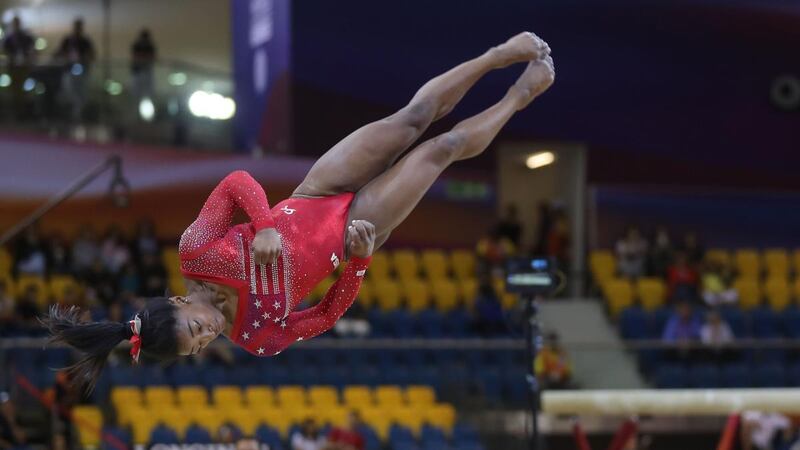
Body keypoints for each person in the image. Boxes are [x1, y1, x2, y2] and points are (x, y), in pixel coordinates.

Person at [45, 32, 555, 391]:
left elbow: (236, 183)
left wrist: (264, 227)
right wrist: (357, 262)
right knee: (441, 149)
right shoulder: (256, 337)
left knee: (414, 118)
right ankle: (519, 96)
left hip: (315, 190)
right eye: (197, 347)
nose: (206, 338)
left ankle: (496, 55)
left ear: (180, 300)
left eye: (195, 330)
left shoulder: (196, 252)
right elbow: (326, 315)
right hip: (358, 230)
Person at [54, 18, 95, 121]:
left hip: (82, 71)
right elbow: (59, 53)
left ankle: (79, 113)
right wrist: (66, 57)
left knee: (82, 92)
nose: (77, 29)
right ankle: (70, 111)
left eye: (79, 27)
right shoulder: (68, 40)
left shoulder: (85, 41)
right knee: (69, 89)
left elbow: (92, 55)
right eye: (76, 27)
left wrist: (85, 58)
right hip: (69, 70)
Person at [2, 17, 35, 120]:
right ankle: (16, 111)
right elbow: (5, 51)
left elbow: (31, 48)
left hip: (23, 67)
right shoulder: (9, 38)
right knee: (14, 90)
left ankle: (24, 111)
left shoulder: (25, 37)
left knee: (24, 90)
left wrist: (28, 58)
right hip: (13, 67)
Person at [130, 29, 156, 100]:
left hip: (147, 70)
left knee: (148, 87)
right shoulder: (137, 45)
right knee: (137, 87)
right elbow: (135, 56)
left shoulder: (149, 46)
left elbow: (152, 57)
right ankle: (137, 100)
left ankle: (147, 99)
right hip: (137, 70)